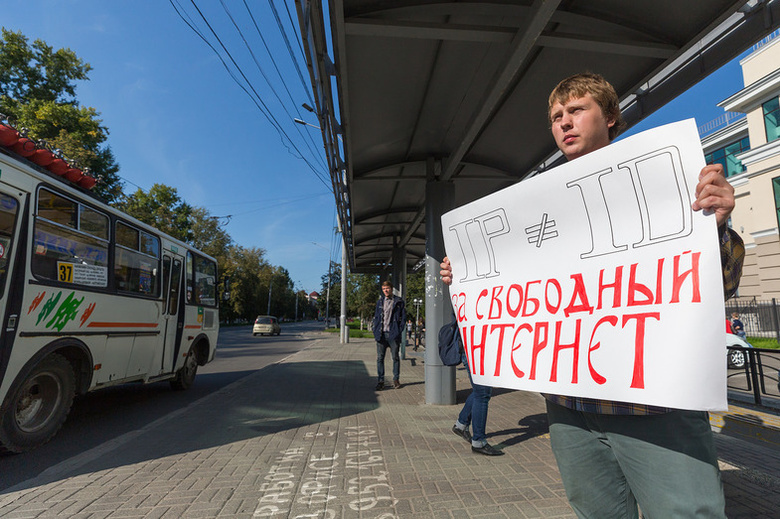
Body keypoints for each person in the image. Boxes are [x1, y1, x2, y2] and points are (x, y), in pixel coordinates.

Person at [440, 73, 745, 518]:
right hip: (569, 410)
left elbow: (722, 285)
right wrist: (468, 274)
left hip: (655, 406)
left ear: (611, 117)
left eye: (577, 110)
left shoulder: (668, 178)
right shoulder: (535, 209)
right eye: (556, 117)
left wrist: (714, 226)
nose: (565, 122)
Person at [452, 350, 503, 456]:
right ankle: (478, 443)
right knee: (482, 393)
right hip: (476, 352)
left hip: (476, 352)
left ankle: (461, 424)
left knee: (480, 391)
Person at [372, 280, 406, 390]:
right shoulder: (380, 302)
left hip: (393, 335)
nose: (385, 290)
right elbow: (376, 317)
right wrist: (375, 329)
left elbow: (403, 319)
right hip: (381, 335)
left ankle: (396, 379)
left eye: (387, 288)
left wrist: (398, 331)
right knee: (380, 359)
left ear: (391, 289)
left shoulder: (399, 301)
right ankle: (380, 381)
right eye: (383, 289)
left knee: (395, 358)